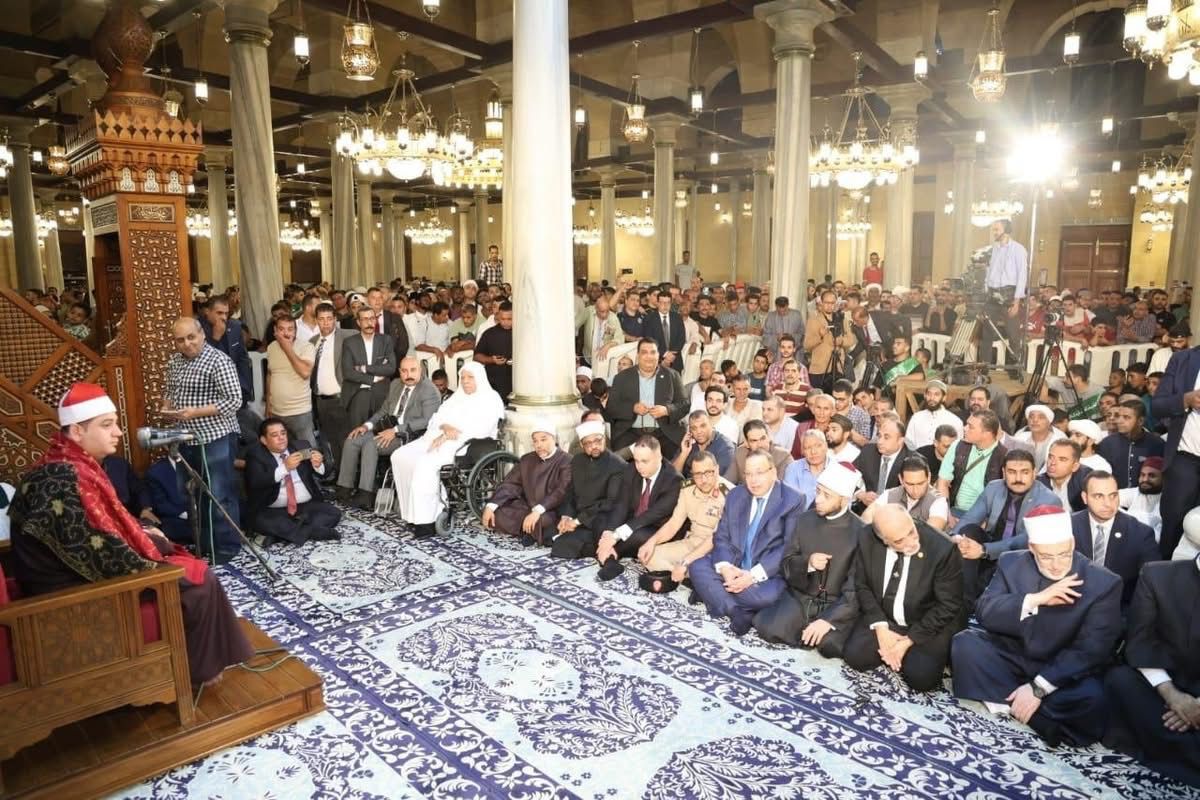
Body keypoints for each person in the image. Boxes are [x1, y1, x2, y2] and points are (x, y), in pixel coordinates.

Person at [8, 383, 254, 686]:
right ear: (77, 431)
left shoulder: (63, 465)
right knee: (199, 579)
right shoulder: (65, 479)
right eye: (106, 425)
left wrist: (142, 534)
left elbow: (94, 532)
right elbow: (98, 552)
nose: (119, 433)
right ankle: (198, 671)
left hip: (71, 574)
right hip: (65, 594)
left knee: (176, 556)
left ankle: (203, 661)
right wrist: (154, 548)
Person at [951, 505, 1122, 746]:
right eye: (1047, 557)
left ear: (1072, 543)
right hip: (1013, 655)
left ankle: (1005, 700)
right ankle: (1038, 719)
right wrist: (1034, 600)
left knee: (1094, 700)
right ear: (1032, 549)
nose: (1056, 565)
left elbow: (1092, 650)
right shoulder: (1011, 562)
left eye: (1063, 554)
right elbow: (984, 612)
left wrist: (1038, 688)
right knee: (964, 644)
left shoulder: (1103, 582)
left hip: (1060, 671)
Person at [842, 504, 964, 691]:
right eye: (899, 541)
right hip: (887, 617)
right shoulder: (867, 537)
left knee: (920, 679)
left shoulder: (943, 549)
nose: (911, 542)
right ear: (883, 540)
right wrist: (881, 628)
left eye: (912, 532)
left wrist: (909, 640)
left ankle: (907, 650)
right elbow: (862, 584)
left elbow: (948, 605)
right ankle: (895, 646)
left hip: (926, 620)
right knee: (855, 657)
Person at [1105, 554, 1200, 787]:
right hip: (1165, 688)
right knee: (1119, 680)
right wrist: (1172, 695)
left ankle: (1173, 751)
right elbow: (1140, 643)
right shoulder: (1157, 574)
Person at [753, 462, 866, 655]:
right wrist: (808, 564)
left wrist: (828, 620)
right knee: (768, 629)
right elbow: (786, 563)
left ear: (844, 499)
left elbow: (855, 589)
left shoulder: (861, 532)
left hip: (835, 605)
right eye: (818, 491)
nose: (818, 499)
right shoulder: (805, 519)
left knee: (829, 646)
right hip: (801, 597)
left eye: (827, 495)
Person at [688, 451, 805, 635]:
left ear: (773, 472)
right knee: (697, 567)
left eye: (759, 473)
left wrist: (751, 576)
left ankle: (713, 595)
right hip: (733, 566)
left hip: (765, 575)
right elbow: (722, 536)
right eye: (748, 474)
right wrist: (726, 569)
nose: (753, 480)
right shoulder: (735, 495)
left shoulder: (793, 500)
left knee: (767, 598)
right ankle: (736, 611)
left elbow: (788, 547)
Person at [390, 362, 504, 538]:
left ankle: (426, 522)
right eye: (462, 377)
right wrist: (445, 427)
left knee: (425, 464)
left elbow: (482, 429)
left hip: (464, 445)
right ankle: (412, 515)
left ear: (480, 379)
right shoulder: (455, 397)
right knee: (399, 456)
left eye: (470, 377)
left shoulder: (490, 399)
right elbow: (436, 418)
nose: (465, 381)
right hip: (436, 437)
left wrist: (447, 436)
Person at [163, 317, 244, 563]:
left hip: (214, 437)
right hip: (184, 437)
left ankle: (227, 546)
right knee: (191, 493)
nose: (187, 344)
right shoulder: (175, 361)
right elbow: (170, 392)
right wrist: (167, 408)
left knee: (218, 494)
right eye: (180, 340)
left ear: (202, 335)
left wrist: (195, 412)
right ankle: (204, 543)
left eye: (191, 337)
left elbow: (234, 401)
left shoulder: (219, 360)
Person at [552, 436, 682, 579]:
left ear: (659, 457)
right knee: (601, 519)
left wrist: (615, 536)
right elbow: (622, 504)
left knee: (637, 536)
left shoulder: (674, 480)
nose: (639, 466)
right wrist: (609, 532)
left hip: (655, 527)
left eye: (645, 461)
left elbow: (652, 514)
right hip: (631, 520)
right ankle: (609, 558)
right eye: (637, 460)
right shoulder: (632, 469)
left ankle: (606, 555)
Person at [950, 449, 1061, 606]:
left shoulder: (1048, 500)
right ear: (1003, 473)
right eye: (1012, 472)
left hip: (1021, 556)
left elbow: (1025, 540)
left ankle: (970, 603)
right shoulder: (993, 488)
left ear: (1034, 473)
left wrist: (984, 550)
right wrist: (956, 538)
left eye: (1024, 472)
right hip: (989, 546)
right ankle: (964, 601)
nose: (1018, 478)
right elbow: (970, 518)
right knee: (968, 532)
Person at [338, 357, 441, 510]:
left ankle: (365, 495)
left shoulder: (429, 389)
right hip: (387, 428)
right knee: (353, 439)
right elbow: (383, 411)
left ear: (421, 370)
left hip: (409, 435)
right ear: (399, 372)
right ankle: (344, 489)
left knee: (371, 444)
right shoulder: (396, 384)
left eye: (413, 370)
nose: (408, 375)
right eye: (404, 371)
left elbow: (427, 421)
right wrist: (366, 426)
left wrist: (395, 430)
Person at [243, 417, 342, 546]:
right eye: (274, 435)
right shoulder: (255, 455)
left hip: (305, 505)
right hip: (274, 509)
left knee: (333, 513)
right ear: (264, 440)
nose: (281, 438)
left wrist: (318, 465)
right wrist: (285, 468)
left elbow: (325, 474)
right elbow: (256, 482)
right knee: (259, 520)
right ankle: (312, 531)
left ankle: (282, 535)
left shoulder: (301, 447)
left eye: (283, 433)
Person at [1071, 470, 1158, 607]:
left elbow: (1151, 585)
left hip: (1119, 608)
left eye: (1113, 496)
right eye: (1099, 496)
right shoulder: (1067, 527)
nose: (1108, 503)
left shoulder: (1140, 533)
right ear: (1085, 497)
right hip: (1072, 605)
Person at [482, 418, 573, 546]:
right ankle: (532, 531)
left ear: (554, 439)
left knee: (543, 521)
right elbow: (510, 484)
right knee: (497, 513)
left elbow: (561, 491)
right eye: (535, 441)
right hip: (527, 507)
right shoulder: (527, 459)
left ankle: (530, 531)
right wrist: (491, 505)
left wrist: (538, 511)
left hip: (550, 509)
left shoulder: (566, 460)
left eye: (543, 439)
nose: (538, 445)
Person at [637, 450, 726, 580]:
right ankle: (684, 575)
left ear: (717, 470)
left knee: (704, 568)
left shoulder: (729, 494)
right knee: (650, 556)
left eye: (708, 473)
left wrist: (685, 562)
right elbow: (674, 524)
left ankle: (688, 574)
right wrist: (651, 542)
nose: (703, 480)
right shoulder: (687, 489)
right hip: (691, 543)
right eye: (698, 474)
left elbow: (715, 538)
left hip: (714, 550)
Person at [1151, 338, 1200, 559]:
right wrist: (1185, 400)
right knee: (1172, 528)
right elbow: (1157, 406)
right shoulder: (1183, 359)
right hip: (1184, 459)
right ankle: (1163, 576)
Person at [607, 338, 689, 459]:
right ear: (638, 355)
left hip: (665, 433)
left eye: (653, 352)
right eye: (644, 352)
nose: (649, 356)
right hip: (630, 433)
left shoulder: (672, 376)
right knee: (620, 463)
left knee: (673, 464)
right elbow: (611, 407)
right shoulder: (622, 378)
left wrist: (667, 410)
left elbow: (685, 404)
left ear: (658, 355)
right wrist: (632, 408)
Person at [938, 409, 1007, 521]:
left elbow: (1004, 498)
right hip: (954, 511)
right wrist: (947, 514)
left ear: (986, 433)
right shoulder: (958, 446)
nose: (964, 428)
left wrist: (987, 523)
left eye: (970, 427)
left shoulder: (1004, 456)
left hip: (983, 517)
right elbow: (943, 482)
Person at [309, 302, 354, 466]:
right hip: (321, 401)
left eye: (329, 318)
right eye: (321, 319)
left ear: (335, 319)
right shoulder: (312, 341)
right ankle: (339, 474)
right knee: (330, 440)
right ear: (316, 320)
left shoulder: (347, 336)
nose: (326, 323)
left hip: (341, 398)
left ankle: (349, 476)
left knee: (346, 440)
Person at [981, 219, 1028, 367]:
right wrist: (985, 293)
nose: (994, 232)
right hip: (992, 294)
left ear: (1006, 230)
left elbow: (1022, 276)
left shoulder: (1018, 249)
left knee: (1013, 334)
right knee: (987, 333)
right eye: (993, 229)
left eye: (997, 229)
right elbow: (988, 273)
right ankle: (984, 368)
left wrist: (1017, 301)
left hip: (1009, 294)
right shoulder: (992, 250)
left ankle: (1015, 368)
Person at [339, 306, 396, 429]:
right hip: (358, 394)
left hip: (381, 395)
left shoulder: (385, 340)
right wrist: (373, 378)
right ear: (358, 322)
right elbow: (348, 372)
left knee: (381, 432)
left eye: (372, 318)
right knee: (357, 433)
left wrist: (365, 368)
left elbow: (391, 368)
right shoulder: (349, 342)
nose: (369, 323)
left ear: (375, 320)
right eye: (365, 319)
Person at [264, 316, 316, 445]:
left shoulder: (306, 347)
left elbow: (305, 373)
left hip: (299, 412)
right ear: (275, 330)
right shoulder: (271, 347)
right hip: (276, 412)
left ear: (295, 331)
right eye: (281, 329)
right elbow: (270, 375)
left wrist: (287, 348)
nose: (286, 333)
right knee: (284, 450)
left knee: (307, 451)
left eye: (290, 329)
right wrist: (268, 405)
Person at [861, 455, 949, 531]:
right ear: (901, 479)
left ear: (929, 477)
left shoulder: (939, 501)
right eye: (910, 484)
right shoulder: (890, 494)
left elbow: (930, 533)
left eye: (920, 483)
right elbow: (867, 517)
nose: (915, 490)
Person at [1098, 398, 1164, 490]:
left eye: (1126, 417)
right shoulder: (1107, 444)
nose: (1119, 421)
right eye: (1118, 416)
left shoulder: (1156, 444)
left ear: (1140, 421)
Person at [852, 413, 912, 513]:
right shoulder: (868, 451)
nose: (880, 441)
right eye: (879, 436)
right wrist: (861, 494)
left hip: (896, 513)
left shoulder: (911, 460)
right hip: (866, 510)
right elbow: (846, 475)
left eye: (886, 437)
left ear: (900, 441)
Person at [804, 290, 856, 393]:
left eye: (832, 303)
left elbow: (851, 340)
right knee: (819, 397)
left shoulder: (842, 319)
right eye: (827, 303)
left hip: (838, 367)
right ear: (821, 303)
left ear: (836, 303)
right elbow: (807, 345)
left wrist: (841, 341)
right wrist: (820, 336)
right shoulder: (813, 320)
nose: (829, 306)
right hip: (820, 368)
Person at [723, 420, 793, 485]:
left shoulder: (784, 456)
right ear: (746, 443)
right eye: (754, 441)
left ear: (769, 437)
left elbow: (783, 489)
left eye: (763, 438)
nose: (760, 444)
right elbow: (726, 483)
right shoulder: (740, 453)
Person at [672, 410, 735, 479]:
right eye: (694, 428)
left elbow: (716, 480)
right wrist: (684, 453)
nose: (699, 431)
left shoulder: (725, 447)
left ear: (711, 424)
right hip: (687, 484)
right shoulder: (688, 443)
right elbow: (672, 476)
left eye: (703, 426)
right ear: (690, 431)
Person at [782, 429, 835, 510]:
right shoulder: (793, 468)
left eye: (818, 446)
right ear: (803, 451)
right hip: (800, 516)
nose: (813, 452)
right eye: (808, 448)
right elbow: (789, 502)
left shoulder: (837, 468)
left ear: (826, 446)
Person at [904, 380, 963, 451]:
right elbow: (909, 443)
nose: (932, 398)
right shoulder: (916, 418)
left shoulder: (955, 421)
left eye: (936, 394)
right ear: (925, 395)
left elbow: (958, 448)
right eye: (929, 394)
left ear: (944, 398)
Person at [1036, 439, 1092, 512]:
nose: (1052, 463)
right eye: (1051, 457)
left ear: (1075, 467)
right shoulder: (1038, 483)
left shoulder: (1086, 480)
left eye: (1062, 459)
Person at [474, 301, 513, 402]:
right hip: (495, 383)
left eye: (509, 319)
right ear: (498, 316)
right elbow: (477, 356)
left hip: (518, 383)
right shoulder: (489, 333)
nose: (506, 322)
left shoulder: (522, 333)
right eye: (503, 319)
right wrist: (491, 360)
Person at [1118, 456, 1163, 540]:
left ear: (1163, 478)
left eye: (1152, 476)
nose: (1145, 479)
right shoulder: (1136, 492)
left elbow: (1156, 538)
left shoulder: (1167, 502)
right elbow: (1109, 498)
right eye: (1142, 475)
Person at [1013, 404, 1065, 473]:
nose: (1035, 420)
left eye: (1041, 417)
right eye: (1031, 417)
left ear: (1049, 422)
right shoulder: (1020, 437)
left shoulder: (1059, 441)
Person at [642, 293, 687, 372]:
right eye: (662, 302)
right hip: (657, 360)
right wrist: (665, 354)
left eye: (668, 302)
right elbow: (649, 340)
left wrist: (671, 355)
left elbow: (681, 338)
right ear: (657, 303)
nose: (665, 305)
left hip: (675, 360)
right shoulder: (649, 318)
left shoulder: (677, 317)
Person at [576, 294, 622, 367]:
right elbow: (575, 325)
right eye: (602, 311)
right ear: (596, 308)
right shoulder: (589, 311)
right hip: (587, 358)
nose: (605, 315)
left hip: (604, 360)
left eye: (607, 311)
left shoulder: (613, 318)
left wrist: (608, 345)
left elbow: (620, 338)